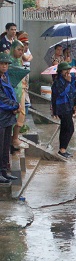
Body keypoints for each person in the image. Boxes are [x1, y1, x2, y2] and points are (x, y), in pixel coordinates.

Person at [51, 62, 76, 158]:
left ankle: (62, 149)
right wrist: (67, 82)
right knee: (69, 129)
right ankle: (62, 149)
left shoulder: (69, 80)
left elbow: (73, 93)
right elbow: (61, 93)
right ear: (60, 71)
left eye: (68, 70)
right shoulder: (57, 82)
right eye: (65, 70)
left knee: (65, 128)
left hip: (69, 107)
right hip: (62, 108)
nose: (67, 72)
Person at [0, 53, 20, 183]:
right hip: (1, 116)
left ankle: (4, 171)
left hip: (8, 116)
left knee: (6, 145)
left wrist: (15, 106)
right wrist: (15, 106)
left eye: (6, 64)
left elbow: (12, 94)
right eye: (2, 64)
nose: (4, 66)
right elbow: (1, 99)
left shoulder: (6, 77)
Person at [9, 40, 27, 152]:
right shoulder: (8, 61)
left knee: (21, 114)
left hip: (21, 90)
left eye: (22, 50)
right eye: (18, 50)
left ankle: (15, 138)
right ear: (13, 49)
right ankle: (11, 139)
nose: (21, 52)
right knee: (12, 115)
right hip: (12, 92)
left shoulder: (19, 61)